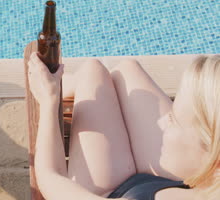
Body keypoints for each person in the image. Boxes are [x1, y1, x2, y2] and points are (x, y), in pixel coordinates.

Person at [27, 52, 219, 200]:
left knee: (92, 72)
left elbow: (51, 178)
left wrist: (48, 100)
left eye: (175, 119)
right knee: (127, 71)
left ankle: (62, 85)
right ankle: (71, 82)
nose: (167, 117)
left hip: (108, 193)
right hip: (185, 182)